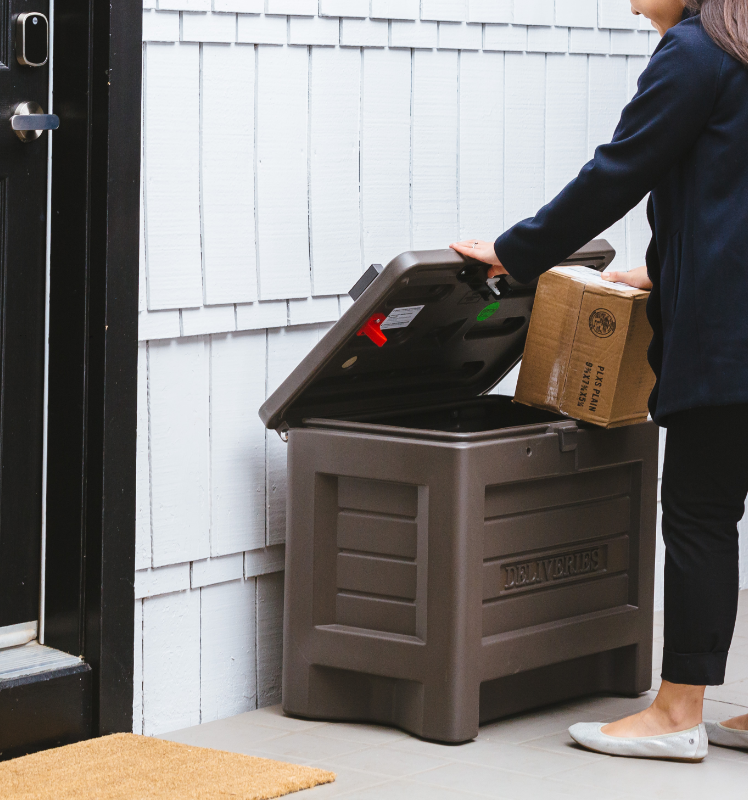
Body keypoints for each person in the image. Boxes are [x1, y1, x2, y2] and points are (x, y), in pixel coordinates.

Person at [451, 0, 748, 762]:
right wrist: (666, 261)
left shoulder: (696, 51)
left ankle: (679, 710)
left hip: (729, 336)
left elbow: (618, 172)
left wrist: (520, 251)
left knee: (700, 512)